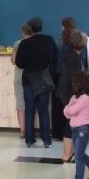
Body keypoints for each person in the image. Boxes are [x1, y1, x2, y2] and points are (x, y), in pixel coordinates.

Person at [15, 17, 57, 148]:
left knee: (29, 110)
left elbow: (19, 63)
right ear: (41, 27)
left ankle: (29, 140)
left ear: (30, 29)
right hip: (44, 78)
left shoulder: (24, 43)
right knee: (44, 111)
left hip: (28, 80)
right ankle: (46, 140)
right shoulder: (49, 40)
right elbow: (54, 59)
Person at [57, 29, 86, 162]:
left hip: (66, 93)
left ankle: (69, 153)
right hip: (70, 94)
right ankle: (67, 155)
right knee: (71, 124)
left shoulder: (71, 56)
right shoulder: (74, 58)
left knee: (71, 124)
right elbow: (74, 80)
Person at [12, 24, 33, 138]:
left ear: (23, 32)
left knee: (20, 103)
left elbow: (13, 61)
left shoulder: (18, 43)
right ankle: (31, 130)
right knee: (32, 102)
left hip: (19, 75)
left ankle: (22, 131)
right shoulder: (37, 43)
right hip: (33, 76)